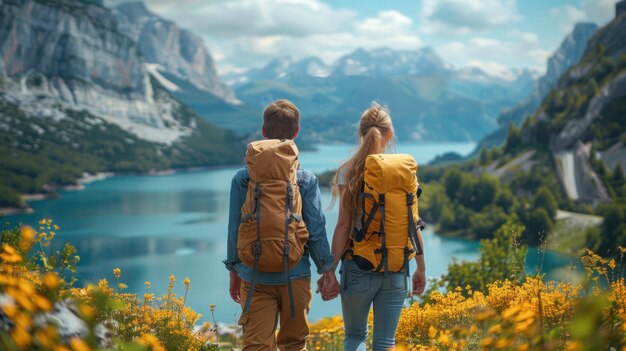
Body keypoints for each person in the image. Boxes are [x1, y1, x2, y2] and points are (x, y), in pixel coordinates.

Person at [224, 99, 335, 351]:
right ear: (296, 133)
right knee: (294, 344)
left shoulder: (242, 178)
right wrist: (327, 271)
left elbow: (235, 228)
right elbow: (316, 230)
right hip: (295, 274)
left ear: (263, 132)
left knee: (257, 346)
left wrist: (234, 270)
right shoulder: (305, 179)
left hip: (253, 275)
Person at [320, 103, 427, 351]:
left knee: (355, 336)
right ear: (389, 134)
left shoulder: (349, 170)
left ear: (361, 133)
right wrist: (421, 267)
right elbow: (414, 223)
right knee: (385, 342)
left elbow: (343, 226)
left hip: (358, 267)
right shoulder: (403, 172)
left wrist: (330, 270)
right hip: (397, 267)